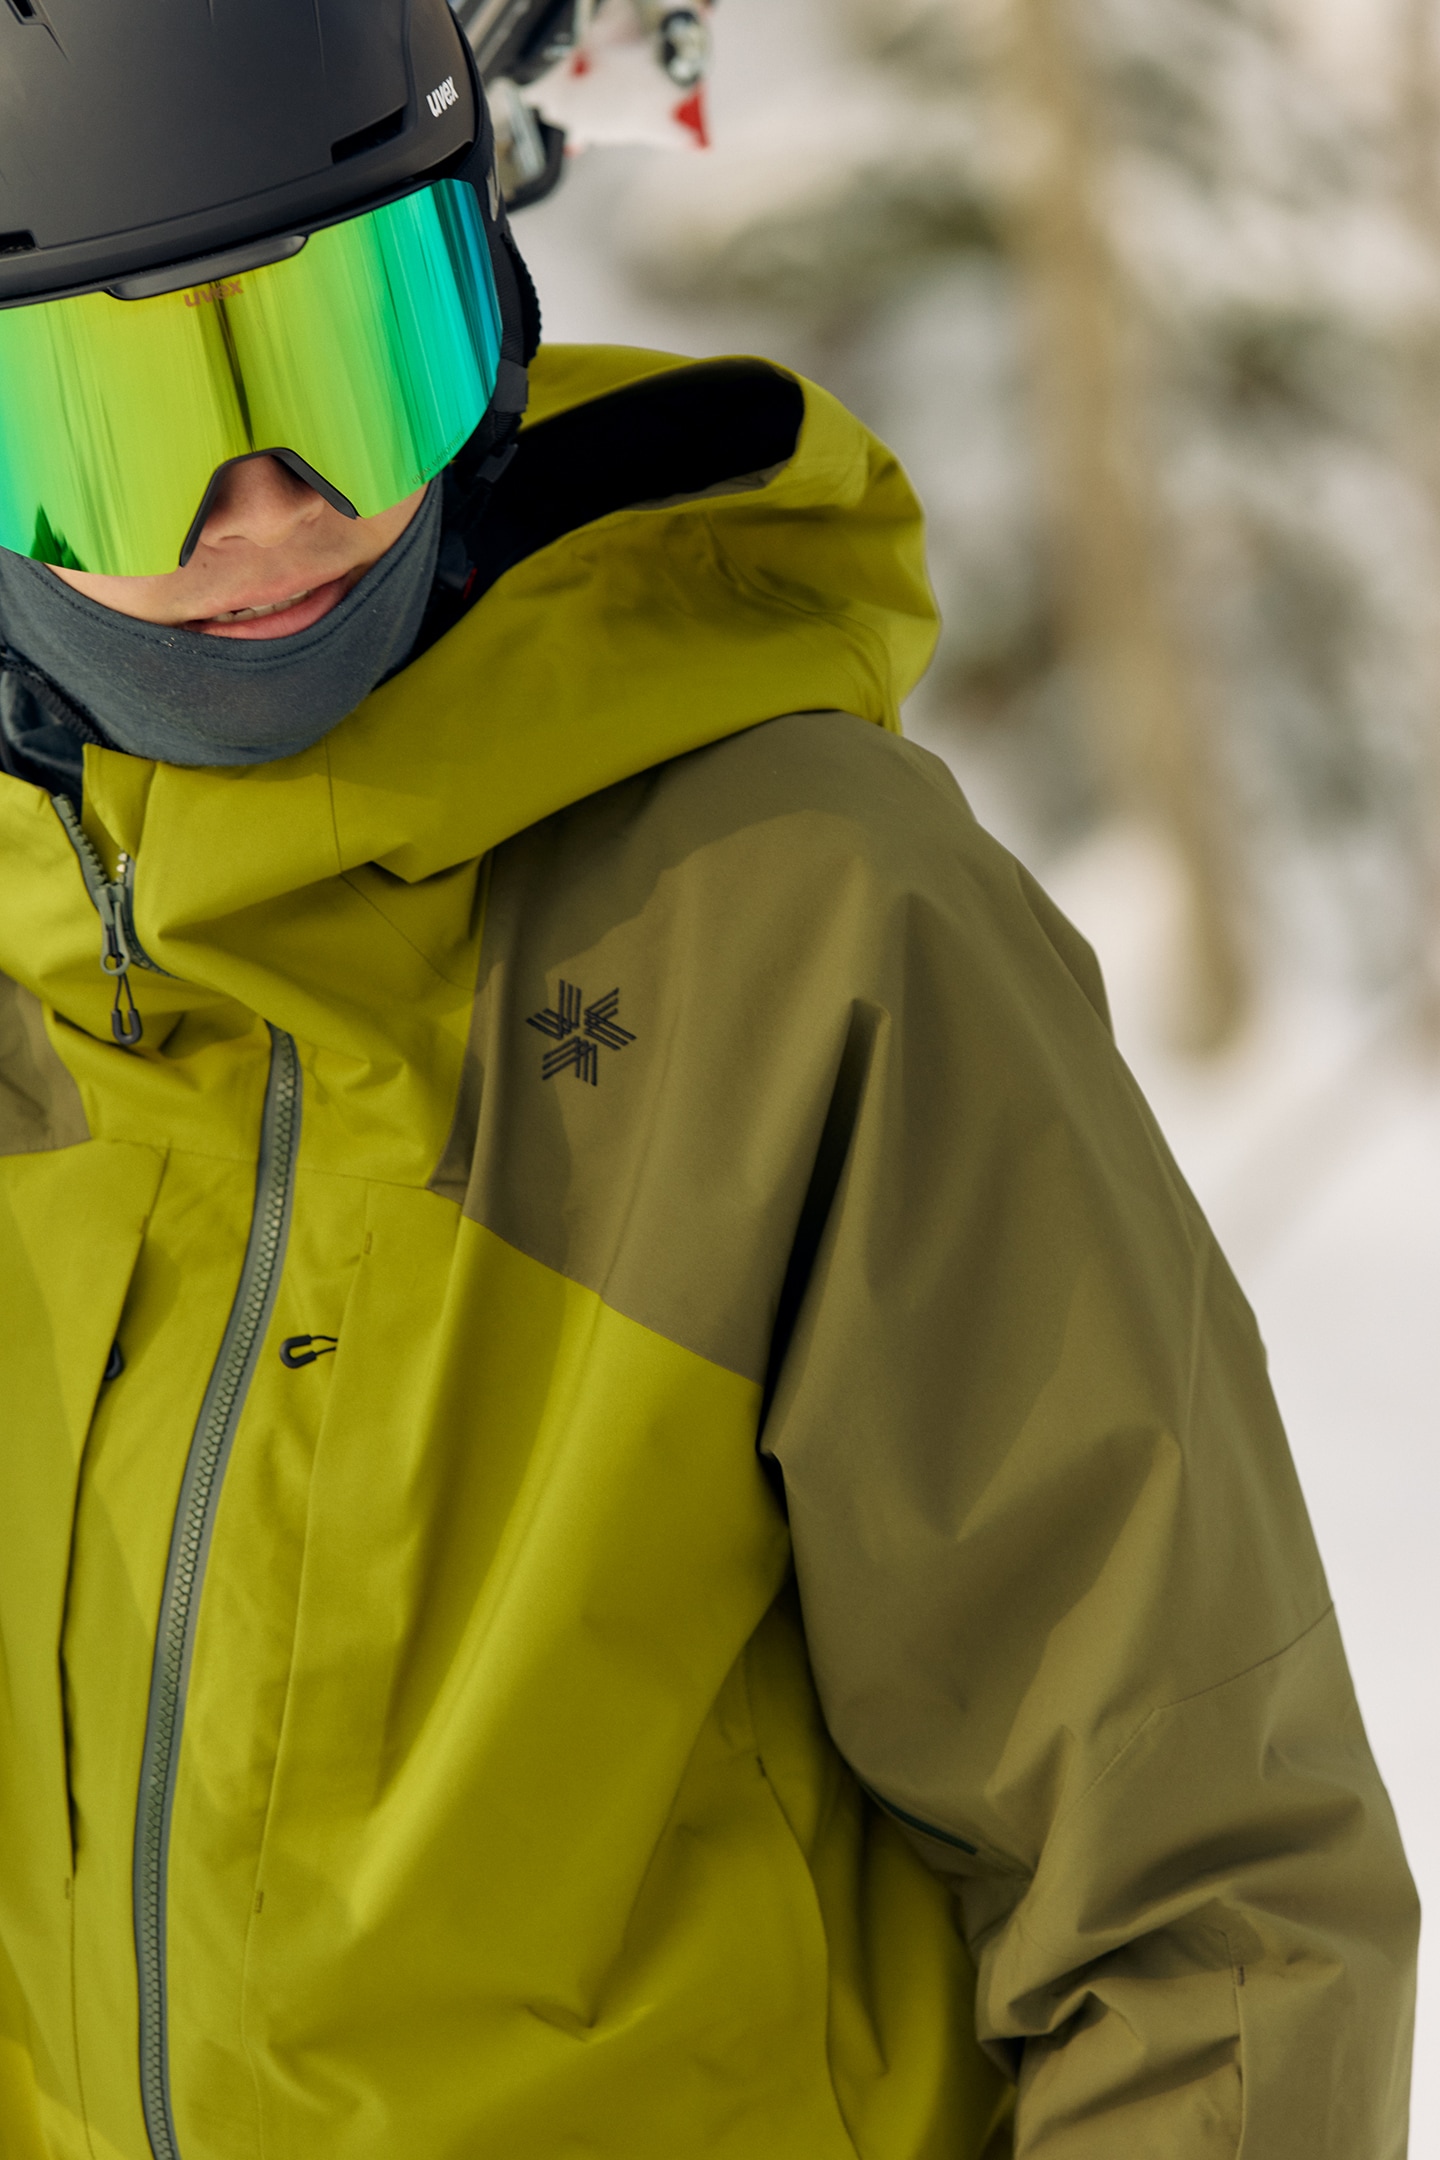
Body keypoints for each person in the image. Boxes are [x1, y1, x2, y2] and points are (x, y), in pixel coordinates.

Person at [0, 4, 1417, 2157]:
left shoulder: (797, 927)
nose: (270, 510)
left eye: (353, 357)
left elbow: (1207, 1911)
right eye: (122, 428)